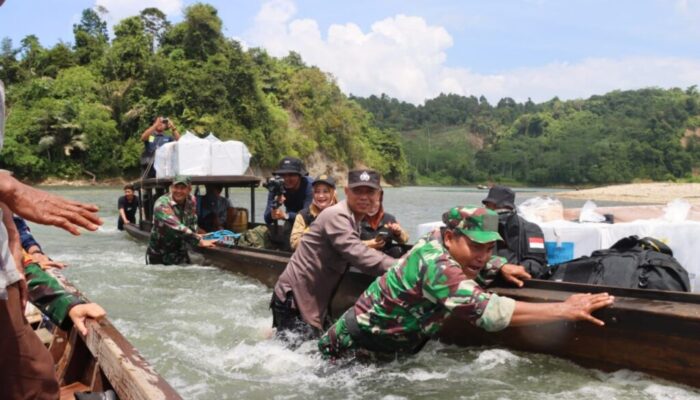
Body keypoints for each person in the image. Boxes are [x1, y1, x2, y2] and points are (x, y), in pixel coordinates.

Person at [319, 206, 615, 358]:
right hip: (350, 348)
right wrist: (563, 309)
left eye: (490, 248)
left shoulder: (440, 241)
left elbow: (470, 263)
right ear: (450, 238)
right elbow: (487, 312)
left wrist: (499, 265)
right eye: (476, 246)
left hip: (389, 348)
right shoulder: (434, 264)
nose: (483, 256)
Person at [1, 77, 104, 400]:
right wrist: (8, 188)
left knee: (37, 379)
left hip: (7, 294)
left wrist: (65, 304)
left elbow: (12, 253)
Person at [271, 170, 395, 343]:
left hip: (309, 299)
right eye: (358, 191)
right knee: (291, 361)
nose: (364, 197)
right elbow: (358, 254)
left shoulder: (353, 219)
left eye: (370, 192)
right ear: (346, 192)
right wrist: (403, 265)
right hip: (295, 299)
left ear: (379, 195)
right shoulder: (337, 215)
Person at [146, 175, 216, 265]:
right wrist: (199, 240)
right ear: (171, 188)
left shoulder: (191, 200)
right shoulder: (161, 204)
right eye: (176, 187)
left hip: (180, 251)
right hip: (160, 254)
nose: (178, 191)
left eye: (182, 188)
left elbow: (191, 222)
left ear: (189, 189)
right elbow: (177, 227)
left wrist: (203, 236)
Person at [482, 185, 548, 278]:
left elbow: (537, 262)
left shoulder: (532, 230)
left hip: (521, 280)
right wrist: (500, 267)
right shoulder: (482, 227)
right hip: (488, 278)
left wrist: (517, 270)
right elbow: (475, 256)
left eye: (490, 205)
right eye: (487, 206)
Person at [263, 156, 313, 249]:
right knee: (287, 235)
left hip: (311, 220)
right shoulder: (276, 186)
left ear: (300, 176)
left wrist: (285, 216)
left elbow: (307, 217)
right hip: (291, 218)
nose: (286, 179)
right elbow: (267, 219)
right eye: (283, 175)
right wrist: (275, 207)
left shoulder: (309, 186)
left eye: (291, 175)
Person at [289, 174, 338, 250]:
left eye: (326, 191)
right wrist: (314, 229)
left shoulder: (343, 214)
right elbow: (294, 243)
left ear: (333, 193)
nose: (321, 196)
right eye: (317, 192)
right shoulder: (303, 215)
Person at [360, 190, 409, 258]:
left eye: (375, 202)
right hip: (362, 258)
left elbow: (405, 240)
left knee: (397, 250)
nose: (372, 206)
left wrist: (398, 233)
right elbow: (347, 244)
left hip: (384, 259)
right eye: (368, 203)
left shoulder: (389, 219)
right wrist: (368, 244)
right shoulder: (355, 219)